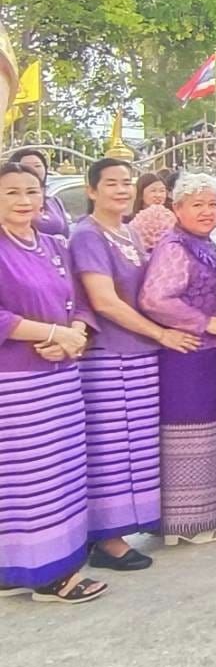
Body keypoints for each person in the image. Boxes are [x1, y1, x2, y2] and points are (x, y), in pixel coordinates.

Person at [72, 159, 194, 571]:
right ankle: (106, 538)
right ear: (92, 191)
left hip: (139, 354)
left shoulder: (126, 232)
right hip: (109, 356)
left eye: (127, 182)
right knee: (110, 446)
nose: (121, 190)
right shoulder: (87, 236)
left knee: (136, 447)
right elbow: (105, 302)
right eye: (111, 184)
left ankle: (127, 525)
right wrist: (162, 334)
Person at [0, 160, 104, 603]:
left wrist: (74, 336)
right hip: (17, 385)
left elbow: (80, 304)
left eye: (32, 191)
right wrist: (49, 333)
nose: (25, 201)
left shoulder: (54, 245)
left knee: (62, 473)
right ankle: (42, 574)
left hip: (61, 379)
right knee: (25, 479)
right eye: (12, 193)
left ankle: (51, 563)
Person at [138, 173, 216, 546]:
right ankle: (183, 524)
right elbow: (154, 299)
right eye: (196, 204)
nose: (207, 211)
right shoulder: (175, 246)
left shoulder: (204, 244)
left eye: (212, 204)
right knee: (187, 437)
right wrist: (205, 322)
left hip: (208, 355)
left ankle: (208, 515)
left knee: (210, 434)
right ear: (176, 209)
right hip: (184, 357)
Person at [11, 147, 70, 238]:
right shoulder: (10, 203)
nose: (34, 170)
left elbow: (66, 233)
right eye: (27, 166)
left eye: (37, 166)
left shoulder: (54, 202)